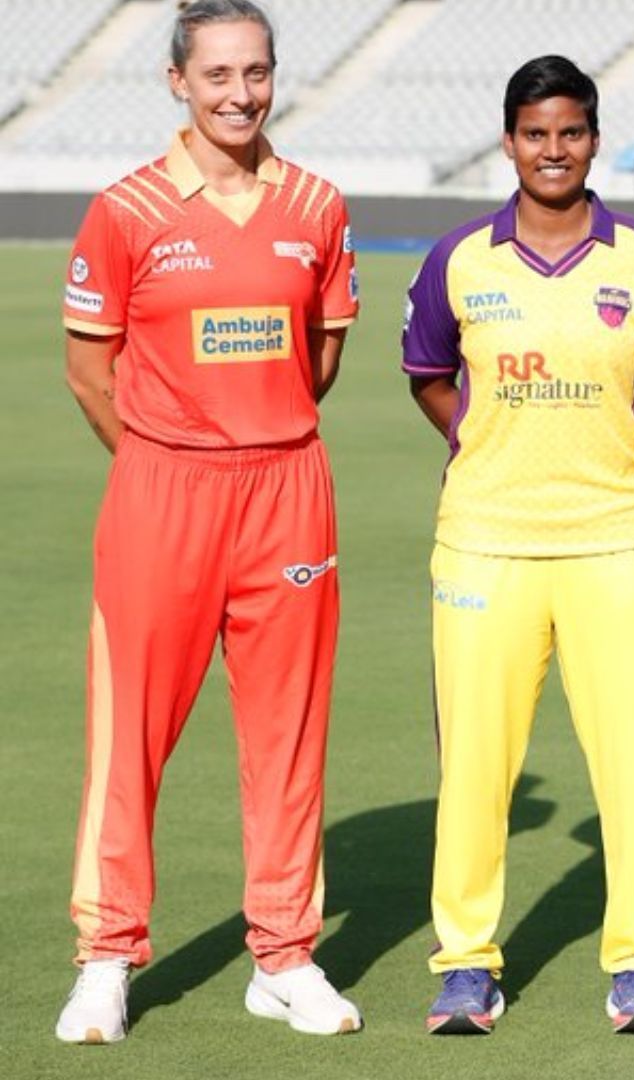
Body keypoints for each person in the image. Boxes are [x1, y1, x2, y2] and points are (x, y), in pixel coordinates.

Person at [53, 0, 361, 1045]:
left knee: (287, 733)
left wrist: (251, 431)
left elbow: (319, 357)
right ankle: (107, 956)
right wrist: (165, 451)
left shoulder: (317, 203)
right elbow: (90, 371)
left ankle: (284, 955)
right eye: (219, 74)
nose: (241, 93)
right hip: (161, 494)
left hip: (287, 491)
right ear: (177, 82)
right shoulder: (127, 208)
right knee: (129, 735)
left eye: (258, 72)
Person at [401, 54, 634, 1037]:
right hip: (485, 540)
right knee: (476, 769)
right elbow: (431, 375)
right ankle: (466, 963)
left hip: (618, 540)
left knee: (632, 764)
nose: (554, 150)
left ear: (594, 140)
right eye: (536, 133)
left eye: (570, 132)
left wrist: (609, 441)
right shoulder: (459, 260)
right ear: (509, 141)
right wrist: (487, 444)